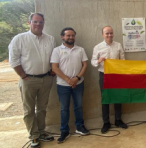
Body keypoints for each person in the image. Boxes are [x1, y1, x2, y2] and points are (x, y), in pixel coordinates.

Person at [8, 13, 55, 148]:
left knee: (42, 108)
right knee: (28, 110)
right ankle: (33, 136)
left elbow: (53, 57)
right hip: (28, 79)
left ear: (43, 23)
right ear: (29, 23)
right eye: (35, 22)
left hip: (46, 79)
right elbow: (13, 60)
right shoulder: (19, 39)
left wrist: (51, 71)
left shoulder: (50, 39)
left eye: (40, 22)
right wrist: (23, 76)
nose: (38, 24)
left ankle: (41, 132)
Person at [51, 27, 89, 143]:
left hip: (78, 83)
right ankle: (64, 131)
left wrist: (76, 78)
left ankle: (79, 127)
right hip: (63, 85)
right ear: (62, 37)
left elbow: (84, 65)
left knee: (78, 106)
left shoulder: (80, 49)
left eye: (72, 35)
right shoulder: (57, 50)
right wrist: (68, 80)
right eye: (68, 35)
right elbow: (54, 67)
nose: (70, 37)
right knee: (64, 109)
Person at [91, 26, 127, 133]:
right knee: (105, 98)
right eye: (107, 33)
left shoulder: (118, 45)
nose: (109, 35)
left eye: (111, 33)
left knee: (118, 98)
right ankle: (106, 122)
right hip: (104, 75)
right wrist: (99, 60)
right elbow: (93, 62)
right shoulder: (98, 47)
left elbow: (123, 60)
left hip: (116, 75)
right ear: (102, 35)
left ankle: (118, 119)